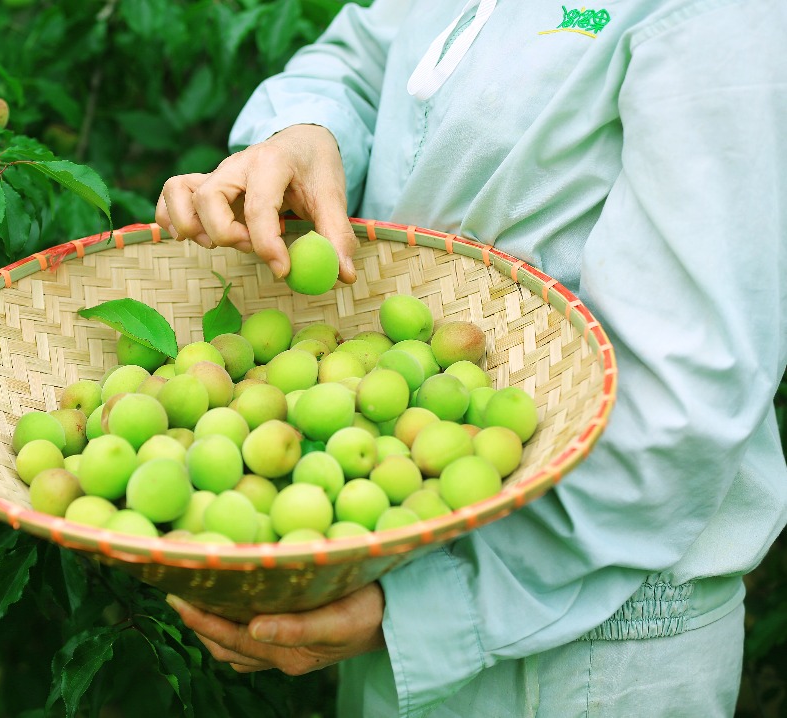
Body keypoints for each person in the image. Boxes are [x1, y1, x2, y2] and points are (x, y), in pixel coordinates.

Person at [156, 0, 787, 715]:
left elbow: (691, 385)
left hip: (580, 647)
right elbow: (373, 51)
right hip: (396, 541)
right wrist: (306, 132)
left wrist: (434, 605)